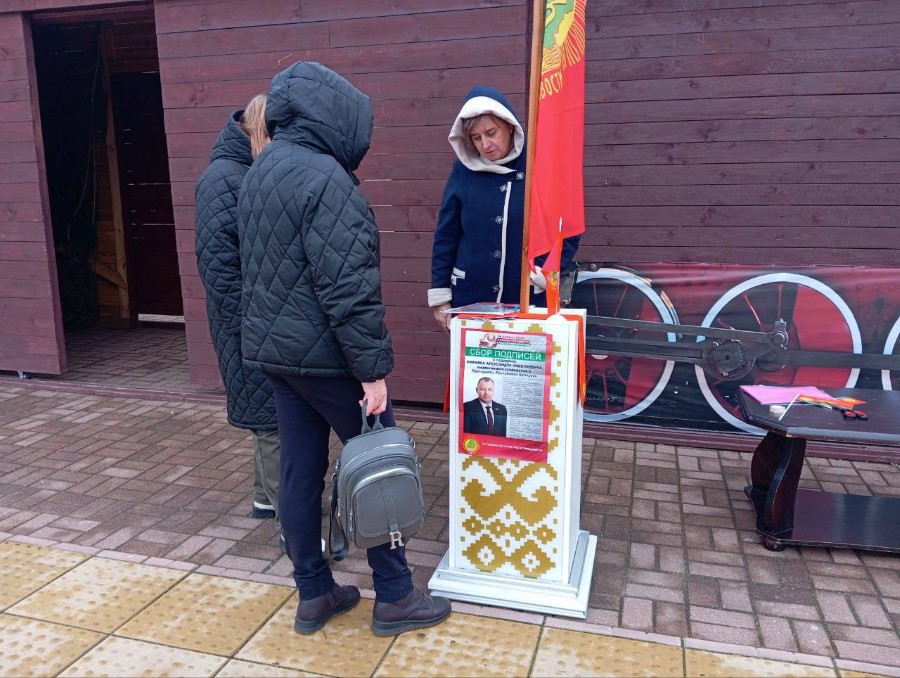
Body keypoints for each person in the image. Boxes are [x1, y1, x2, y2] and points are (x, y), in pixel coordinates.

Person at [237, 61, 451, 637]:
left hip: (279, 357)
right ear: (336, 116)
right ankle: (396, 596)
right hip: (331, 359)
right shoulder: (327, 180)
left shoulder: (261, 171)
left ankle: (314, 593)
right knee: (381, 465)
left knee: (298, 473)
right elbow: (348, 288)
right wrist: (372, 371)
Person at [194, 94, 281, 524]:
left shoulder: (241, 173)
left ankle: (266, 497)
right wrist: (249, 326)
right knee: (272, 418)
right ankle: (292, 518)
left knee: (265, 412)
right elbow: (217, 265)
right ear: (262, 130)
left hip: (253, 320)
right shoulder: (223, 179)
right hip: (247, 324)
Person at [428, 86, 580, 330]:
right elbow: (446, 235)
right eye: (476, 138)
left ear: (509, 125)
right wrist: (440, 295)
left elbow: (568, 227)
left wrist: (546, 270)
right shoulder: (463, 171)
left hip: (527, 299)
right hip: (471, 299)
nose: (485, 144)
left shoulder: (540, 164)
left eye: (491, 133)